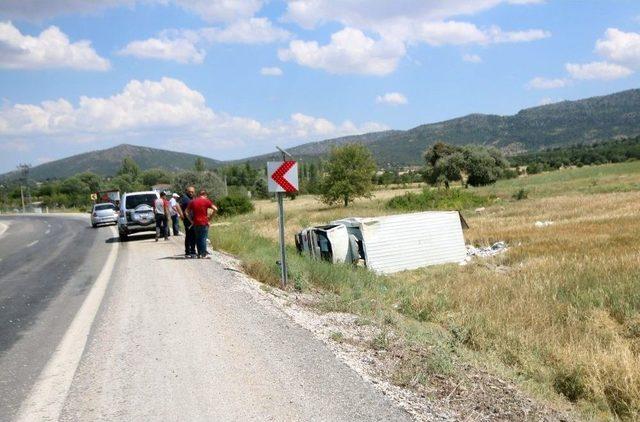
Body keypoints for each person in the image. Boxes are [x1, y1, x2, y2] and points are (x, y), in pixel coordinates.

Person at [186, 189, 218, 258]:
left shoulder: (193, 201)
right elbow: (215, 209)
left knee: (198, 238)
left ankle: (199, 253)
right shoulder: (206, 201)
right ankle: (203, 254)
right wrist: (210, 218)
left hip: (196, 222)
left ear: (198, 194)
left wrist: (191, 221)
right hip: (204, 222)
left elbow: (186, 212)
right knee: (203, 238)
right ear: (205, 195)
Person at [180, 186, 197, 257]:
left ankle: (190, 251)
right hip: (188, 220)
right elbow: (177, 205)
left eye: (192, 192)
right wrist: (181, 214)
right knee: (190, 235)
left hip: (192, 220)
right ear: (187, 191)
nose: (191, 193)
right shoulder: (184, 198)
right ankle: (190, 251)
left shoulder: (192, 198)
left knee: (192, 235)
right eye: (189, 191)